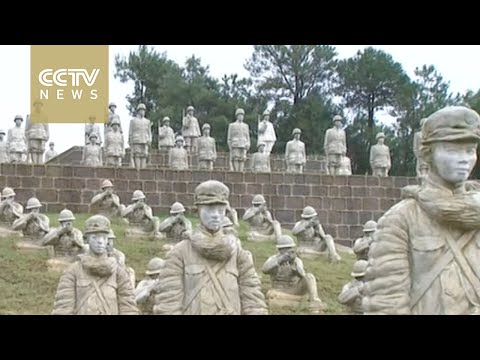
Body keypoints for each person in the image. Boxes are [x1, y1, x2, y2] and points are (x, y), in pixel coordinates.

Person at [363, 106, 480, 315]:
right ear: (427, 155)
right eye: (452, 150)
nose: (464, 159)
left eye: (470, 150)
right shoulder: (401, 219)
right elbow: (386, 302)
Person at [153, 180, 268, 315]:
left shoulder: (238, 253)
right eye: (209, 209)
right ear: (198, 211)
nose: (215, 215)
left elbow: (253, 300)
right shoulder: (180, 252)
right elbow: (169, 303)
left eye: (220, 210)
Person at [51, 215, 138, 315]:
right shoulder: (73, 271)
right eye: (95, 237)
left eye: (104, 237)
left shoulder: (119, 273)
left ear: (107, 241)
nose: (100, 241)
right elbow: (63, 307)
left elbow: (128, 307)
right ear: (87, 240)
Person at [262, 235, 324, 312]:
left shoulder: (296, 261)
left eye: (290, 248)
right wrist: (279, 261)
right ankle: (301, 301)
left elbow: (302, 275)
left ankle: (314, 300)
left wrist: (293, 265)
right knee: (272, 296)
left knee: (309, 276)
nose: (287, 251)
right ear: (279, 249)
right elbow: (265, 270)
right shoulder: (273, 259)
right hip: (279, 290)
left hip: (294, 289)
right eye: (285, 249)